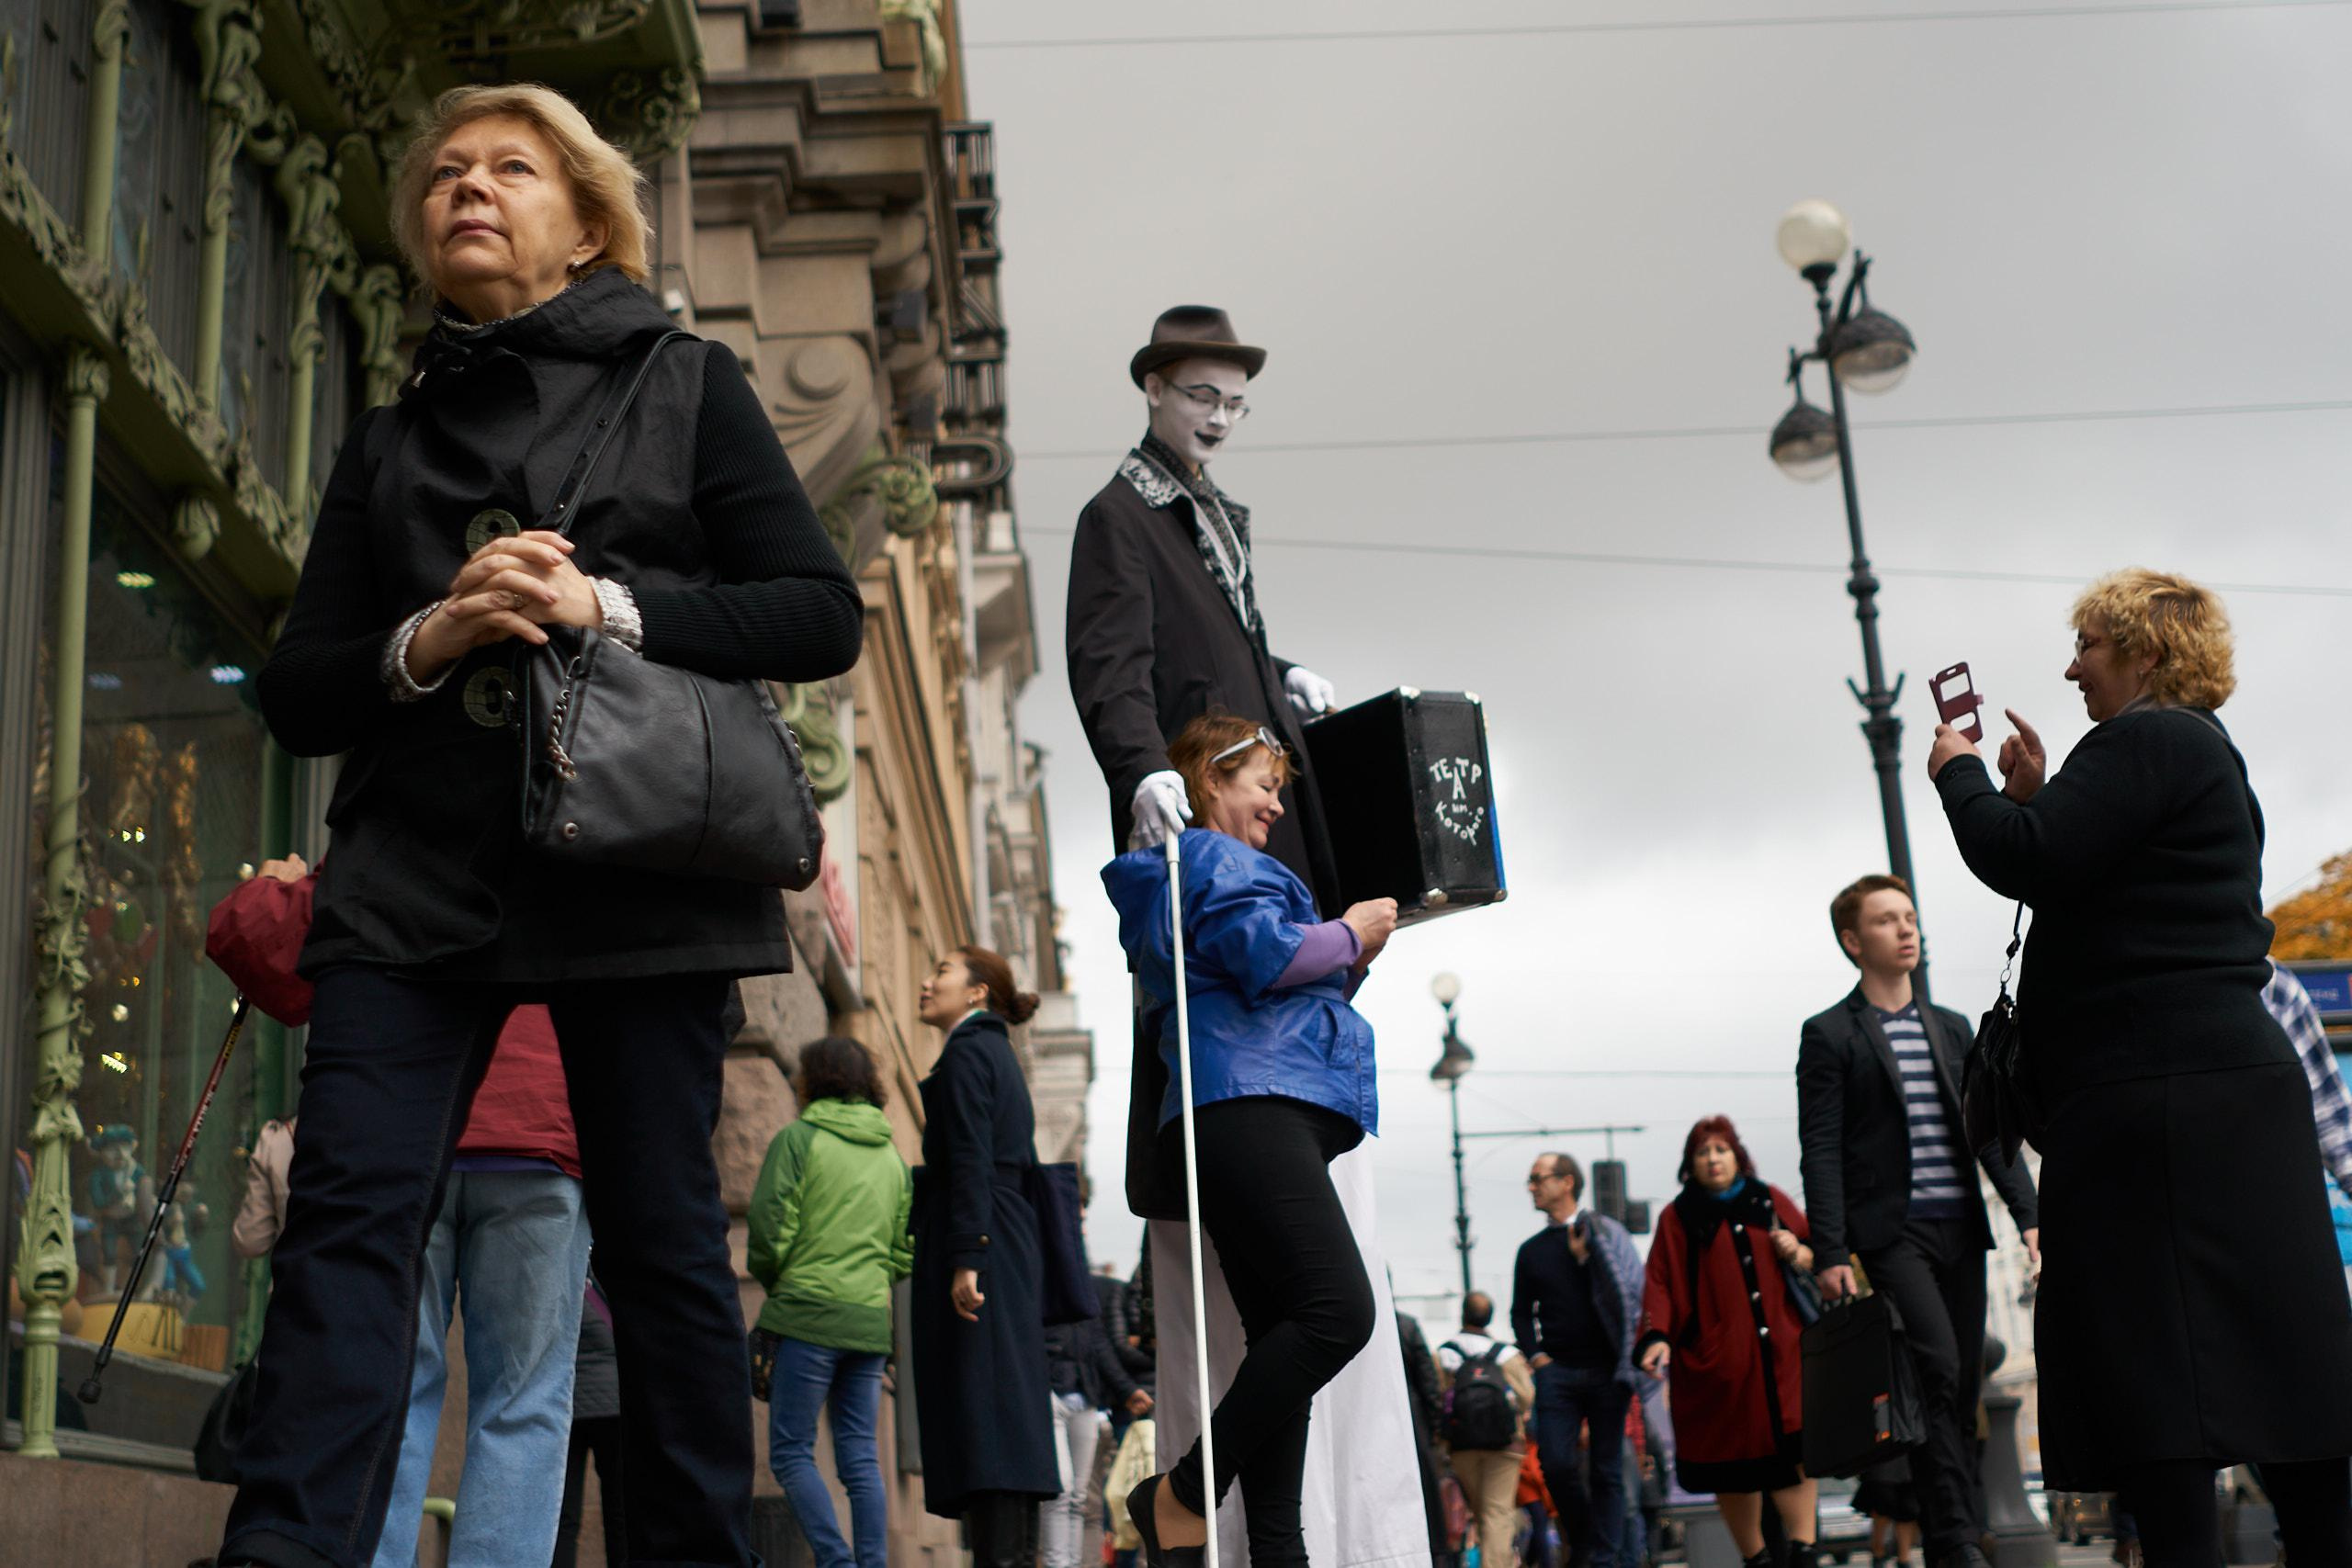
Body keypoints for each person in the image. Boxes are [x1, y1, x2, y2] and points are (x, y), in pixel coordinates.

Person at [213, 80, 863, 1568]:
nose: (469, 185)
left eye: (512, 166)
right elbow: (300, 688)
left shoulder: (686, 383)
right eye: (447, 170)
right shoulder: (388, 439)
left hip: (640, 866)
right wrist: (428, 636)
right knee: (345, 1228)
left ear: (584, 229)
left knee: (661, 1244)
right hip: (411, 874)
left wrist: (601, 605)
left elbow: (816, 611)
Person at [1928, 568, 2352, 1564]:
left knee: (2158, 1381)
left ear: (2146, 653)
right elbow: (2089, 871)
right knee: (2280, 1370)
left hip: (2152, 1106)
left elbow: (2022, 856)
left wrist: (1961, 774)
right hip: (2225, 1100)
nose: (2072, 668)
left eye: (2088, 646)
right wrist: (2039, 803)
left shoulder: (2144, 740)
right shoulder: (2200, 750)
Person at [215, 855, 594, 1568]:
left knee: (392, 1385)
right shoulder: (568, 832)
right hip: (541, 1128)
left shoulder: (415, 815)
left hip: (408, 1132)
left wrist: (272, 883)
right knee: (524, 1400)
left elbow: (259, 939)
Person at [1102, 711, 1397, 1567]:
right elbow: (1265, 953)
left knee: (1283, 1330)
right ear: (1211, 779)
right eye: (1263, 785)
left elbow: (1265, 973)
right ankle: (1182, 1491)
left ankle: (1277, 1550)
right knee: (1339, 1313)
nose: (1275, 804)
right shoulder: (1215, 857)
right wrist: (1349, 932)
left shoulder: (1204, 867)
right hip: (1249, 1100)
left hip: (1239, 1104)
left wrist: (1348, 957)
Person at [1794, 874, 2040, 1568]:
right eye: (1886, 920)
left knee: (1959, 1383)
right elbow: (1821, 1147)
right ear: (1853, 940)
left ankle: (1951, 1531)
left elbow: (1988, 1132)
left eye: (1909, 916)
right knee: (1936, 1366)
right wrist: (1830, 1249)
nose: (1906, 929)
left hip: (1960, 1228)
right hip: (1892, 1234)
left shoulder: (1953, 1026)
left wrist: (2029, 1216)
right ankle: (1958, 1538)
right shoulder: (1829, 1033)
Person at [908, 947, 1059, 1563]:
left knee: (987, 1411)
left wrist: (967, 1255)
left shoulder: (969, 1051)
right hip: (1003, 1231)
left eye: (941, 971)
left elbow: (971, 1154)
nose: (926, 982)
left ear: (977, 992)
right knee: (1003, 1411)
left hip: (984, 1234)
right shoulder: (995, 1050)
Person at [748, 1035, 913, 1568]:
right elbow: (901, 1250)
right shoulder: (891, 1156)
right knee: (861, 1458)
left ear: (812, 1079)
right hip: (868, 1323)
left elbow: (770, 1228)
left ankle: (837, 1562)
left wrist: (778, 1280)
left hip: (807, 1313)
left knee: (791, 1452)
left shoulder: (798, 1140)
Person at [1635, 1117, 1816, 1568]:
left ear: (1738, 1156)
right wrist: (1656, 1337)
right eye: (1703, 1152)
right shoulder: (1677, 1217)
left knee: (1797, 1450)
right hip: (1719, 1366)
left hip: (1785, 1355)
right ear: (1690, 1163)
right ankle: (1756, 1558)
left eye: (1721, 1149)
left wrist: (1796, 1250)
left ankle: (1805, 1551)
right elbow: (1659, 1281)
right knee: (1732, 1466)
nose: (1713, 1159)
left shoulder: (1768, 1198)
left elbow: (1815, 1248)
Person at [1510, 1151, 1646, 1568]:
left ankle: (1603, 1559)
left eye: (1538, 1178)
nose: (1531, 1187)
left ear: (1567, 1182)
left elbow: (1626, 1295)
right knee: (1555, 1464)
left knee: (1607, 1470)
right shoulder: (1531, 1251)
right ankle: (1586, 1541)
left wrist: (1586, 1259)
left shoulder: (1604, 1236)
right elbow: (1520, 1312)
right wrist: (1537, 1357)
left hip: (1608, 1371)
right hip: (1559, 1374)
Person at [1043, 1254, 1154, 1568]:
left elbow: (1100, 1345)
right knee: (1061, 1491)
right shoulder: (1041, 1288)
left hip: (1086, 1397)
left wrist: (1127, 1390)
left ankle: (1072, 1562)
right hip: (1052, 1393)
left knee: (1078, 1496)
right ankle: (1058, 1563)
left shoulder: (1084, 1295)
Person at [1438, 1292, 1538, 1568]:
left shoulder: (1446, 1353)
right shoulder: (1506, 1355)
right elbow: (1527, 1396)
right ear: (1491, 1317)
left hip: (1462, 1445)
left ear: (1463, 1314)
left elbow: (1437, 1396)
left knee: (1481, 1510)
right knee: (1497, 1511)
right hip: (1505, 1445)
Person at [550, 1281, 624, 1568]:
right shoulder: (604, 1276)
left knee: (561, 1516)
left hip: (562, 1405)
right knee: (620, 1513)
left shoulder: (555, 1279)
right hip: (613, 1404)